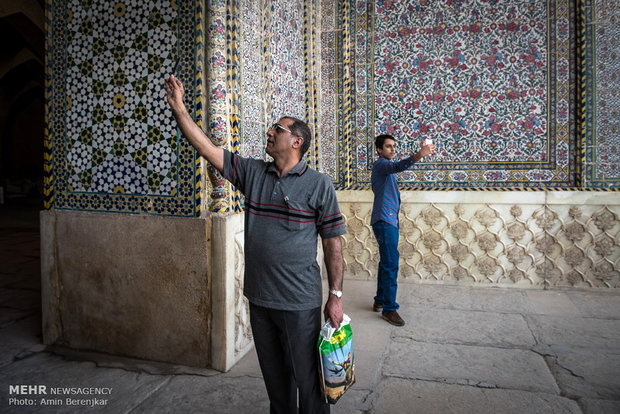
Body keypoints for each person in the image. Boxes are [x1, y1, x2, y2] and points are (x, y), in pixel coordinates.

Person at [165, 74, 346, 413]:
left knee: (307, 382)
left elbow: (333, 244)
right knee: (276, 383)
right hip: (260, 299)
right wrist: (179, 109)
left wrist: (335, 296)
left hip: (298, 302)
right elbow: (206, 148)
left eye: (277, 129)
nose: (269, 132)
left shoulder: (319, 184)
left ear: (296, 142)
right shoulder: (253, 174)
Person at [371, 134, 435, 326]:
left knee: (386, 262)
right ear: (379, 150)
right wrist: (419, 154)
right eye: (388, 147)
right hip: (384, 220)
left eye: (393, 146)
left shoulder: (385, 170)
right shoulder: (381, 164)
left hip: (386, 220)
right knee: (391, 264)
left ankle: (380, 300)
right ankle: (390, 309)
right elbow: (398, 166)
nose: (392, 149)